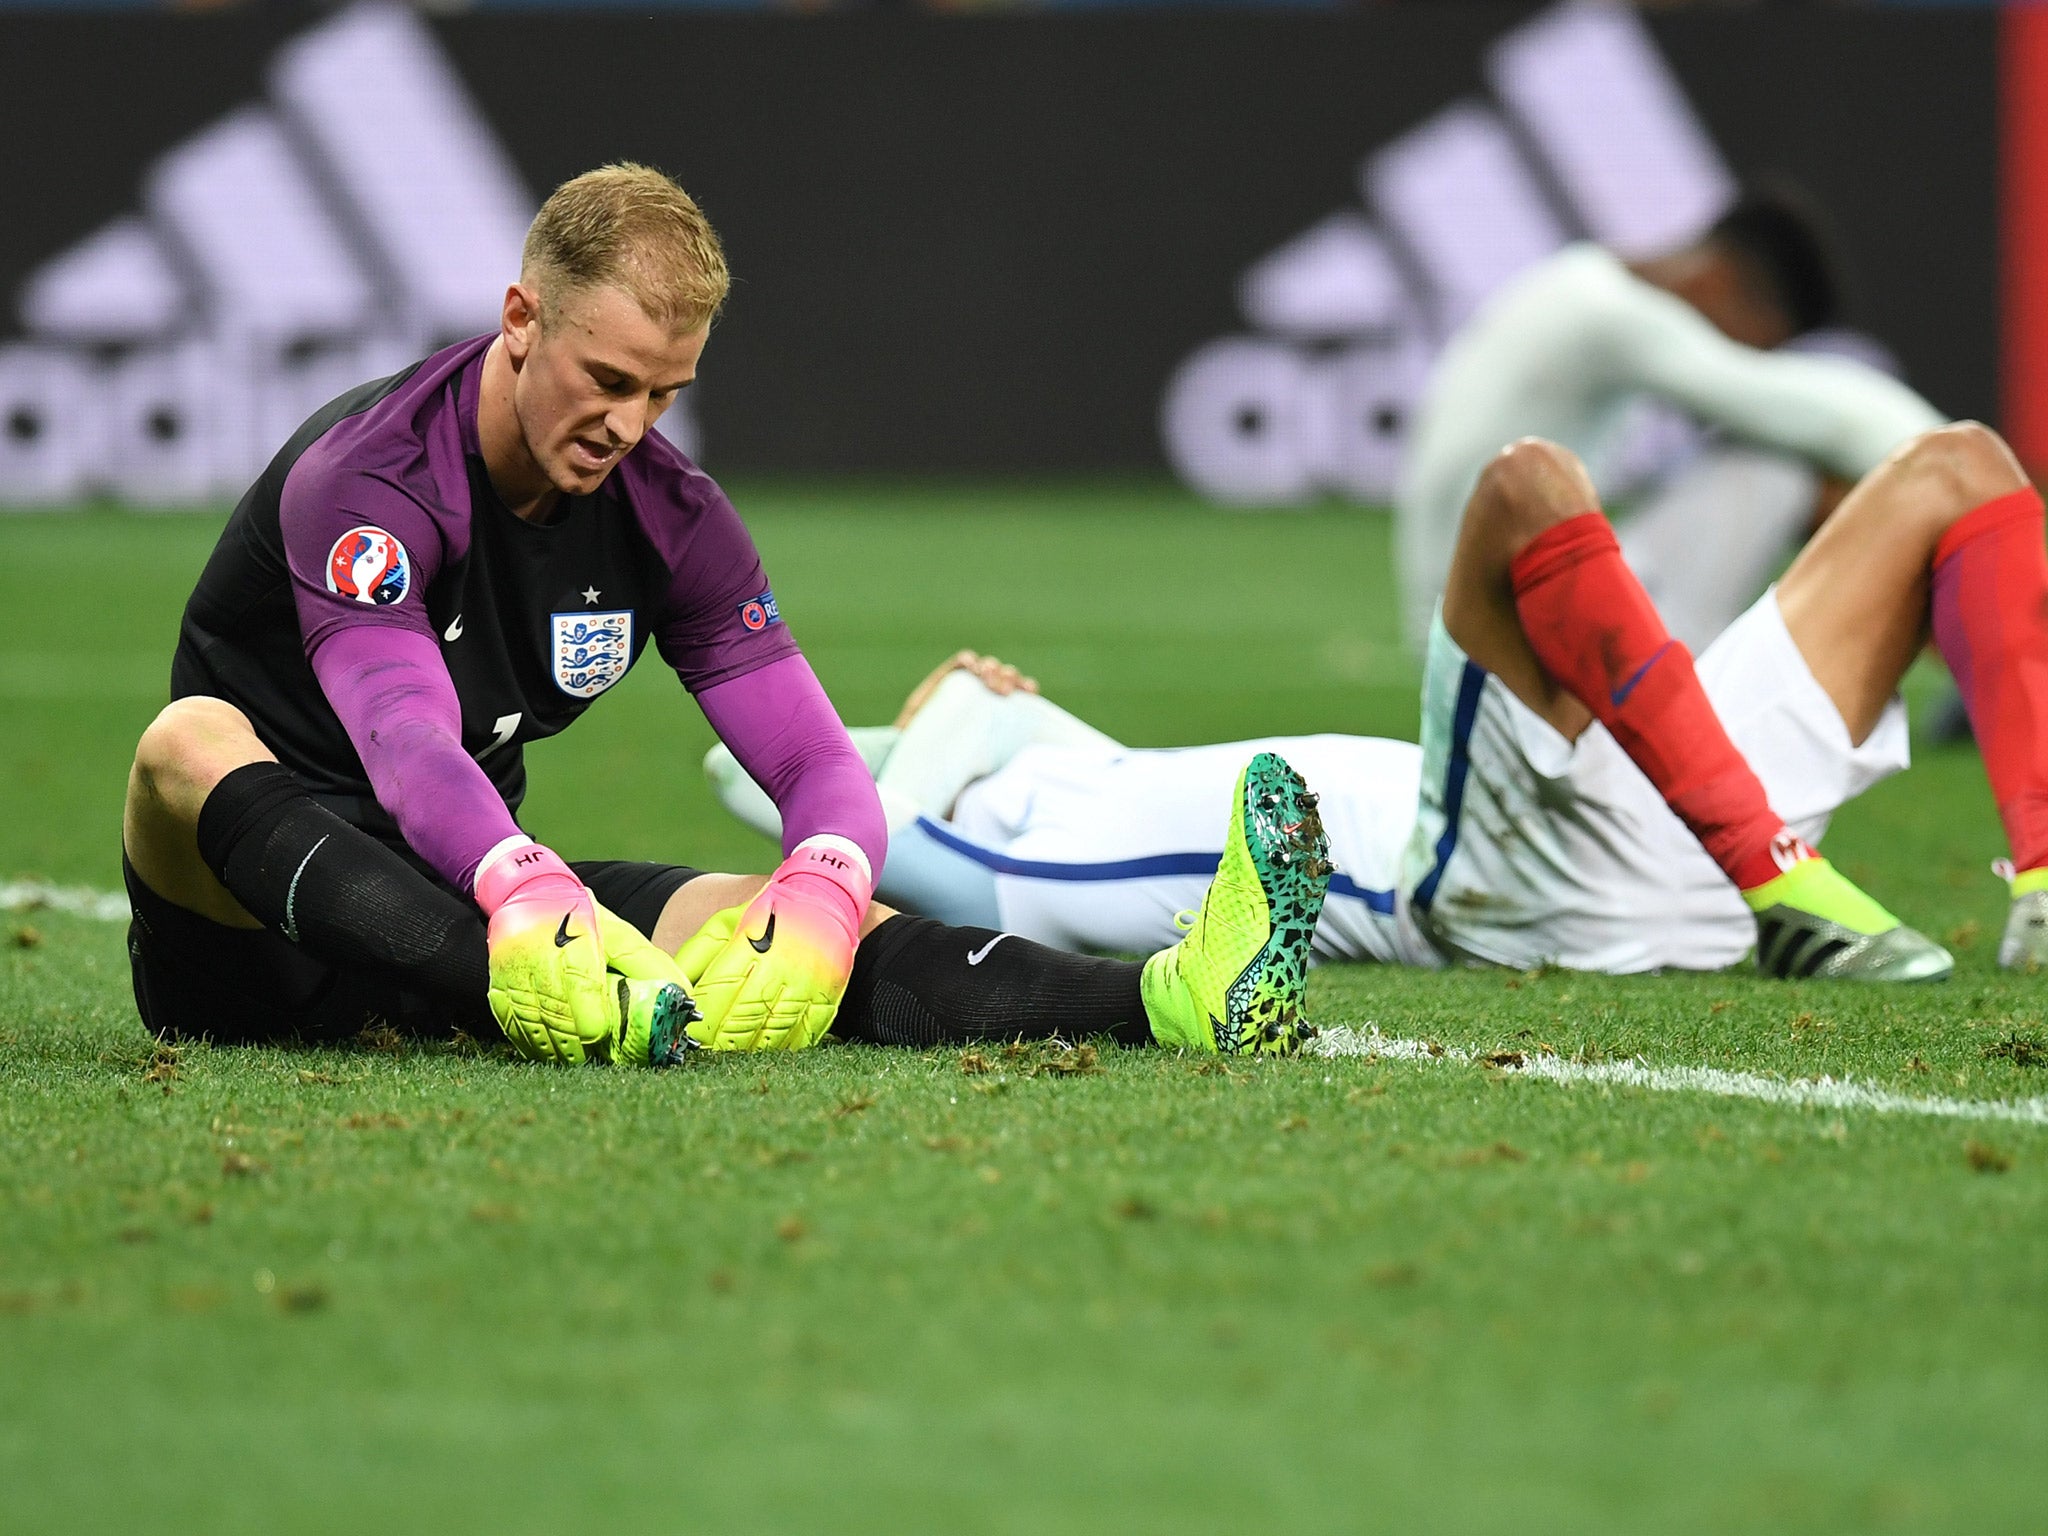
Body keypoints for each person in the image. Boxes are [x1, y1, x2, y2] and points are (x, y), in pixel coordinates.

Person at [120, 163, 1329, 1064]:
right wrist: (525, 890)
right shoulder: (370, 479)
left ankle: (1174, 1001)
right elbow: (402, 740)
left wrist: (825, 879)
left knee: (756, 921)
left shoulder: (669, 513)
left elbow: (807, 751)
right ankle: (553, 988)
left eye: (664, 392)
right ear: (521, 318)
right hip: (249, 932)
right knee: (185, 741)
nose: (629, 425)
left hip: (470, 899)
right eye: (606, 380)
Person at [717, 422, 2048, 979]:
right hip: (1501, 876)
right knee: (1525, 487)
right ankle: (1782, 880)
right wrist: (938, 708)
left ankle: (2038, 883)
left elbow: (940, 742)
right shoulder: (988, 853)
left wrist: (963, 707)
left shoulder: (1067, 766)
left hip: (1663, 793)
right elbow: (832, 826)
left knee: (1958, 469)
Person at [1395, 186, 1946, 657]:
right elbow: (1796, 411)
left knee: (1766, 456)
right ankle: (1971, 633)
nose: (1739, 352)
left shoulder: (1576, 286)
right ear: (1721, 282)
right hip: (1508, 637)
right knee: (1775, 464)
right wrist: (1954, 460)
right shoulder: (1609, 314)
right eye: (1758, 343)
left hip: (1467, 622)